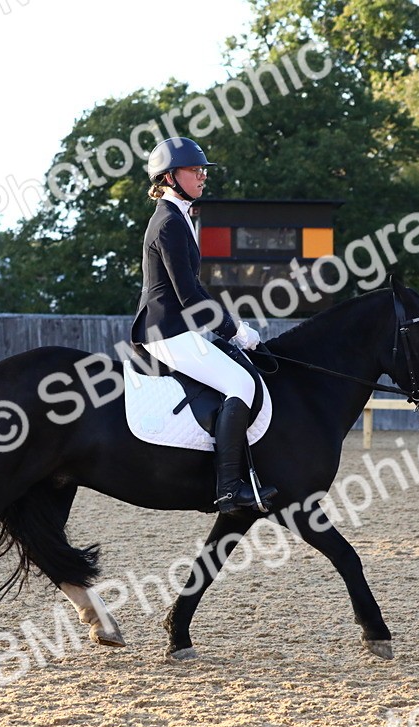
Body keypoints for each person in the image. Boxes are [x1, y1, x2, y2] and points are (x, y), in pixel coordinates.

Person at [130, 137, 277, 513]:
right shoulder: (167, 223)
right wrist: (236, 331)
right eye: (194, 171)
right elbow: (189, 297)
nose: (201, 176)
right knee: (240, 383)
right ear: (168, 177)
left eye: (202, 171)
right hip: (165, 330)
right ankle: (229, 488)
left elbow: (195, 289)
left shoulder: (180, 216)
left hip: (178, 328)